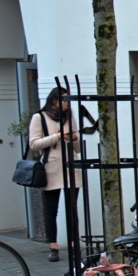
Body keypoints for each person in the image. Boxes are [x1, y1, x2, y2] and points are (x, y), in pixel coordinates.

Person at [27, 87, 81, 262]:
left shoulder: (69, 118)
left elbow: (78, 148)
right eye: (64, 100)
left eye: (68, 100)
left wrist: (75, 138)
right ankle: (53, 246)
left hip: (71, 167)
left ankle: (74, 244)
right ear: (54, 101)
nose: (66, 104)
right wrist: (57, 136)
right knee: (51, 209)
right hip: (51, 167)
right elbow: (34, 144)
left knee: (72, 208)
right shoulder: (39, 117)